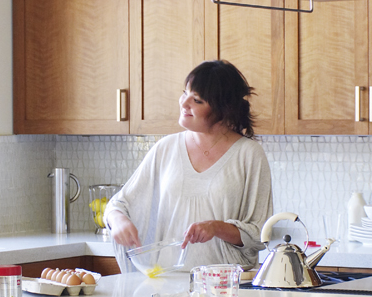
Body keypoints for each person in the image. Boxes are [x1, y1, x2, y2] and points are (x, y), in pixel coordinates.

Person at [105, 60, 273, 271]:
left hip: (225, 286)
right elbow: (118, 205)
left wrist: (216, 227)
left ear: (224, 109)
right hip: (166, 286)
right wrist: (119, 221)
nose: (184, 103)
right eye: (185, 93)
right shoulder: (165, 148)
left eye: (197, 100)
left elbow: (259, 235)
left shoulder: (249, 155)